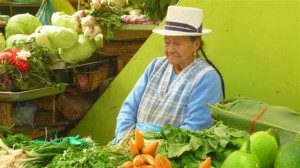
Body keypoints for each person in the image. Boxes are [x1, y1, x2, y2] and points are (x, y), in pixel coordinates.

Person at [114, 6, 224, 143]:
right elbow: (129, 107)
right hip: (131, 144)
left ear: (196, 44)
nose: (170, 49)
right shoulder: (156, 66)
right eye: (167, 43)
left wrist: (150, 151)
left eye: (177, 43)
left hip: (173, 153)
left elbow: (195, 129)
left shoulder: (207, 78)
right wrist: (123, 140)